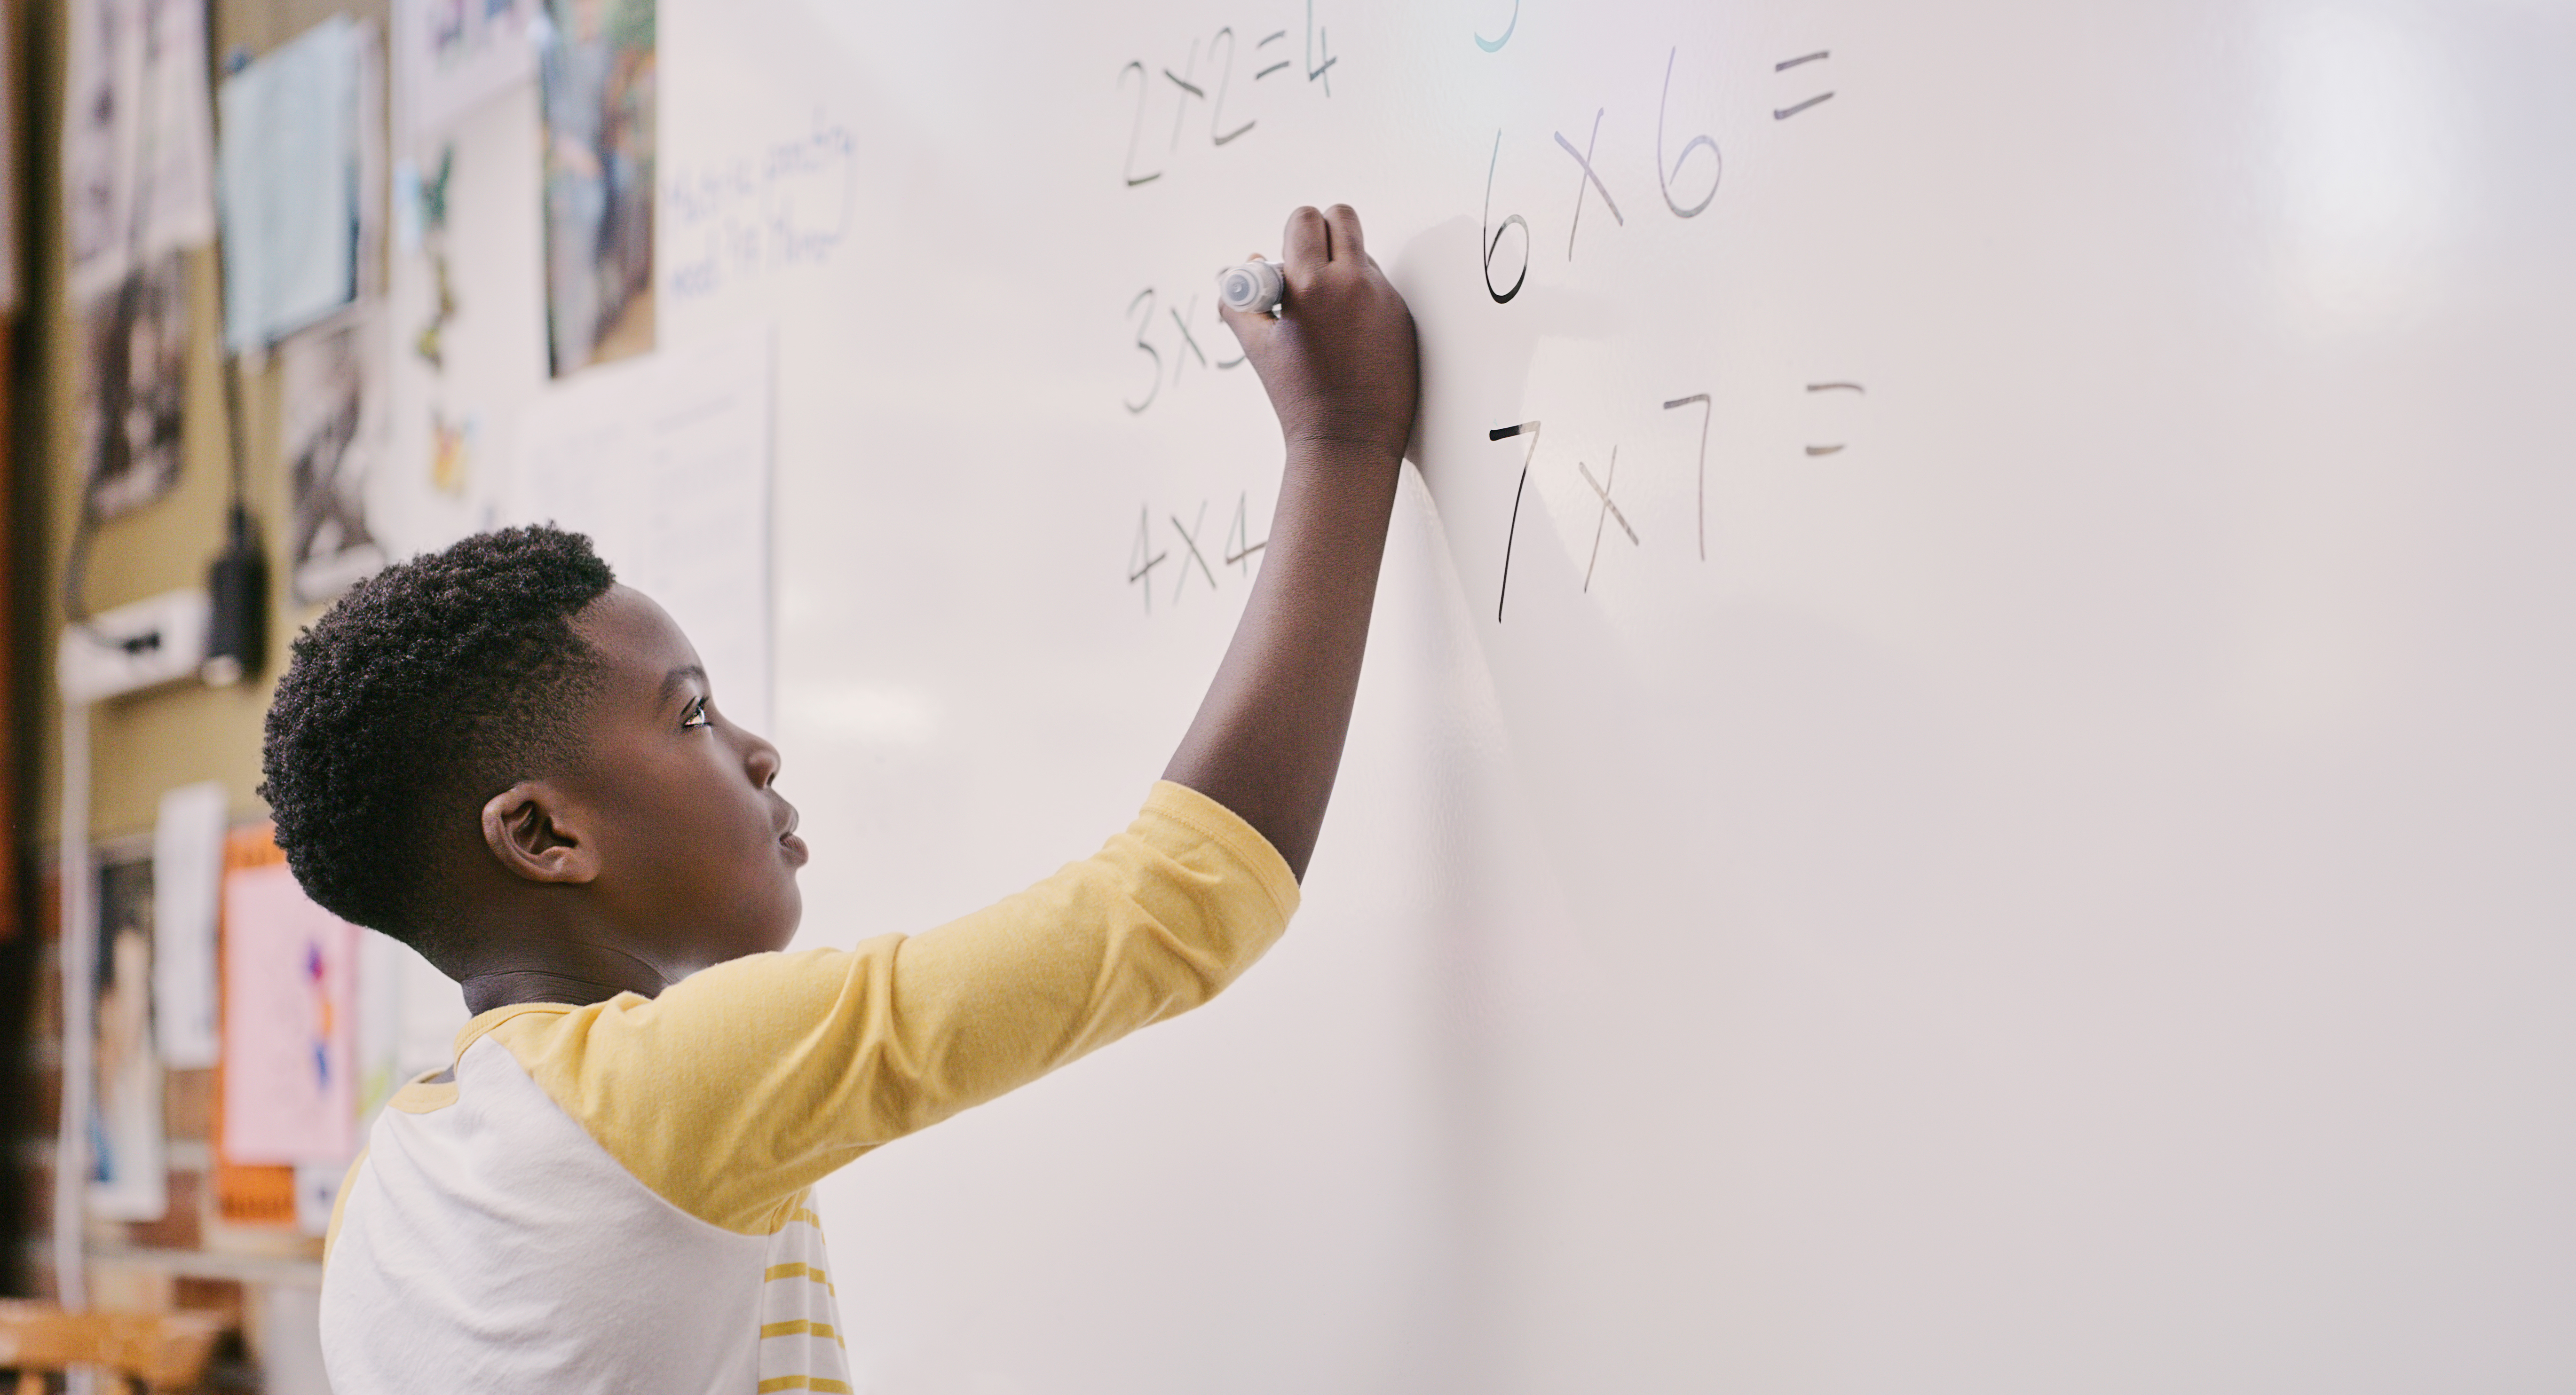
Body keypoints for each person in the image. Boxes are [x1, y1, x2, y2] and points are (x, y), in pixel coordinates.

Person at [261, 206, 1416, 1394]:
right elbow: (1181, 905)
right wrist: (1344, 438)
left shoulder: (394, 1173)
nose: (758, 752)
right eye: (694, 714)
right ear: (547, 835)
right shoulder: (660, 1087)